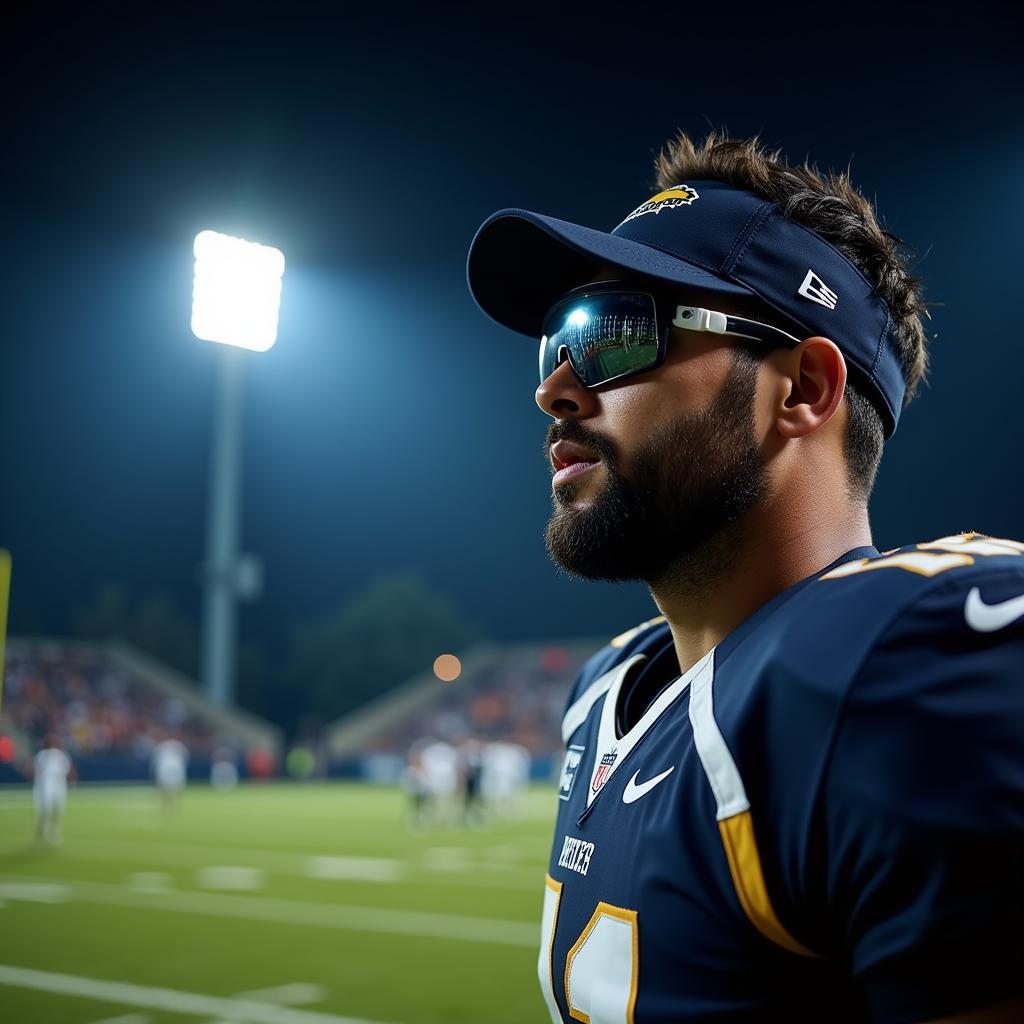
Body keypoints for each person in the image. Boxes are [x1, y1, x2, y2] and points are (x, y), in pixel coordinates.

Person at [466, 132, 1023, 1023]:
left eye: (616, 332)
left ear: (802, 386)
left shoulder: (908, 669)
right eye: (556, 343)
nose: (558, 387)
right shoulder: (605, 691)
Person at [32, 733, 74, 845]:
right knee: (45, 808)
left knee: (57, 807)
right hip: (45, 784)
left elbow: (67, 770)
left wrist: (71, 782)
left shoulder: (61, 755)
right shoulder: (42, 755)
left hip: (59, 784)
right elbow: (37, 770)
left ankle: (53, 829)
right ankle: (41, 829)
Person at [151, 732, 188, 810]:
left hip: (172, 769)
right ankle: (168, 803)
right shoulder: (163, 746)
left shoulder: (178, 745)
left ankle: (170, 803)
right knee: (166, 787)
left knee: (172, 787)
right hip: (168, 768)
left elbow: (185, 757)